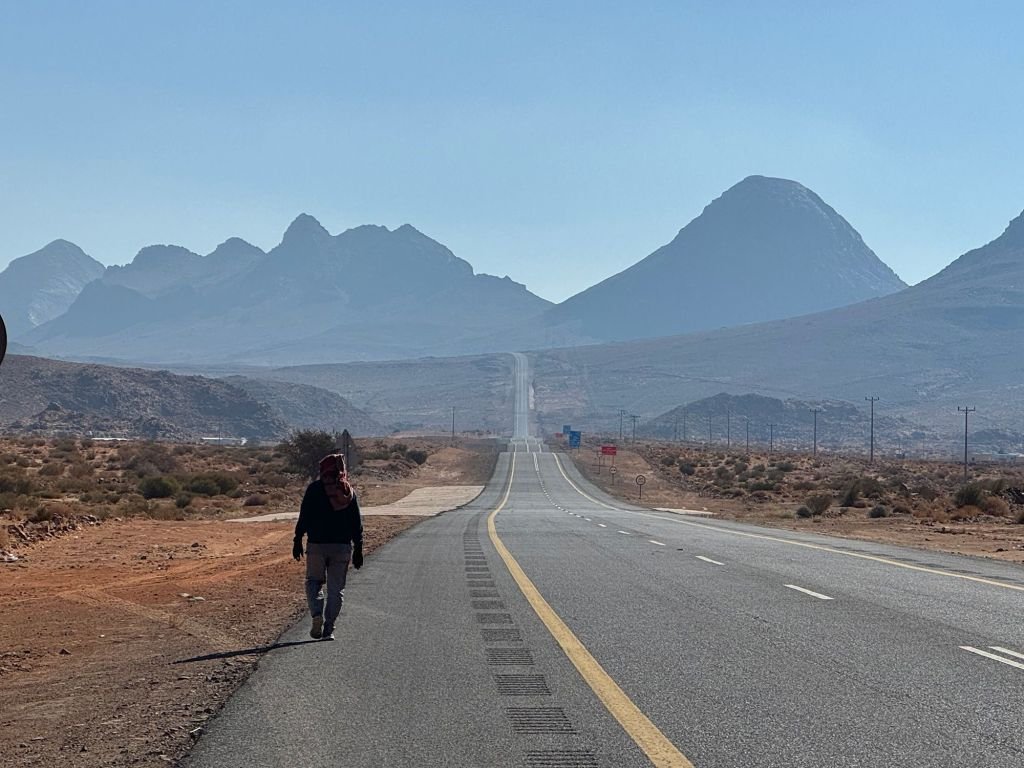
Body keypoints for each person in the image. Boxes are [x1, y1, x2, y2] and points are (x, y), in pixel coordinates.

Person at [292, 453, 364, 640]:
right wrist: (359, 549)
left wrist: (297, 539)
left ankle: (317, 614)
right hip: (341, 548)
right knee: (336, 589)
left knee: (313, 582)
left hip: (316, 545)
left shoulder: (314, 489)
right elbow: (356, 523)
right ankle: (329, 628)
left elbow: (304, 516)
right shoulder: (348, 492)